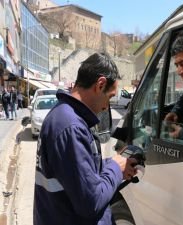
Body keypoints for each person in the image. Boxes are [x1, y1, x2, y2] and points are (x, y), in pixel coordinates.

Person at [33, 52, 137, 225]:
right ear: (100, 84)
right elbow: (91, 203)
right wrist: (115, 169)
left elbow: (74, 173)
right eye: (110, 97)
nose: (106, 107)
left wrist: (112, 165)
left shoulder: (63, 115)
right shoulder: (71, 127)